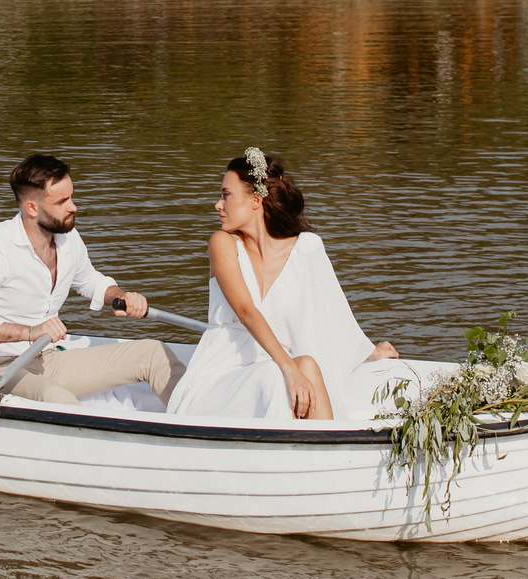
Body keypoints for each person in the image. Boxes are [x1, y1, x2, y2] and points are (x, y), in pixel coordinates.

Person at [168, 148, 406, 421]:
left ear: (256, 200)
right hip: (218, 378)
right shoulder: (222, 245)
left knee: (306, 366)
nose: (217, 205)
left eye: (226, 195)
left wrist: (366, 352)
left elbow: (329, 314)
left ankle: (328, 453)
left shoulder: (306, 249)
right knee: (282, 374)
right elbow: (246, 311)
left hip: (271, 370)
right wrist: (288, 369)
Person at [0, 154, 183, 409]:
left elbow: (89, 280)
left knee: (153, 354)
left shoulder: (68, 238)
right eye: (62, 201)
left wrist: (121, 295)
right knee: (57, 399)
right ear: (32, 208)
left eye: (71, 197)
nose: (73, 207)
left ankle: (206, 428)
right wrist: (30, 332)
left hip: (45, 359)